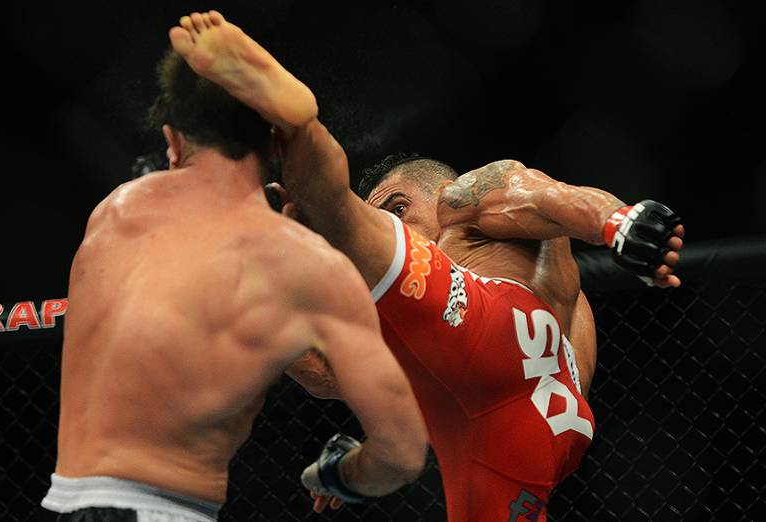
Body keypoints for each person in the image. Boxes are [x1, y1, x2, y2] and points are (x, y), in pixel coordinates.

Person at [177, 10, 684, 521]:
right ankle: (337, 471)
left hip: (492, 326)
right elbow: (328, 379)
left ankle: (294, 122)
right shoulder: (422, 328)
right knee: (379, 428)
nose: (395, 228)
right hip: (533, 446)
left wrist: (616, 221)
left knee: (336, 214)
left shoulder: (461, 205)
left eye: (398, 209)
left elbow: (540, 196)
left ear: (436, 192)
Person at [39, 11, 428, 522]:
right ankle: (301, 121)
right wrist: (336, 474)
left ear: (173, 141)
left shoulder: (111, 215)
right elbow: (402, 450)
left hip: (67, 500)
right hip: (167, 510)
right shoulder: (297, 261)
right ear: (272, 145)